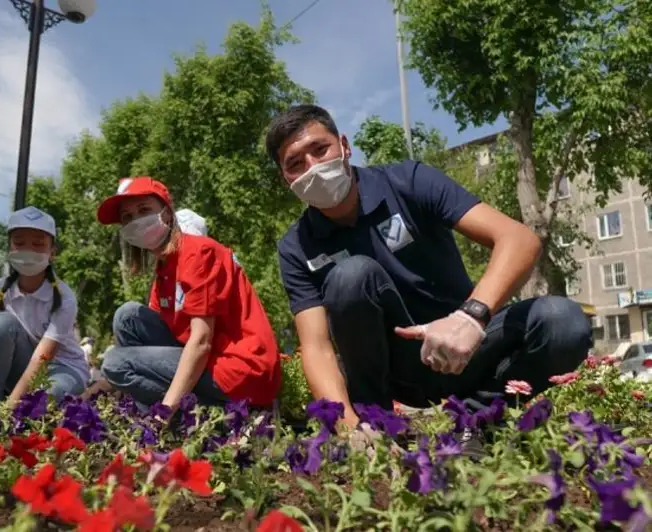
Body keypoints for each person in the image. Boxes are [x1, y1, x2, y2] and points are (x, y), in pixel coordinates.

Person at [267, 104, 591, 433]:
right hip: (394, 372)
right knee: (351, 275)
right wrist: (346, 424)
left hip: (464, 348)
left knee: (562, 322)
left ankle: (476, 420)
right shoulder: (296, 247)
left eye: (320, 149)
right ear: (286, 179)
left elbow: (519, 239)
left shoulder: (408, 181)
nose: (312, 167)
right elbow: (317, 347)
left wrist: (471, 317)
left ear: (345, 146)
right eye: (295, 164)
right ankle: (375, 427)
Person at [88, 177, 281, 411]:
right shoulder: (165, 267)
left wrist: (166, 410)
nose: (136, 221)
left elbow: (201, 341)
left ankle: (200, 414)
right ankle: (145, 410)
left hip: (239, 370)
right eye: (127, 217)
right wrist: (100, 388)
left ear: (167, 214)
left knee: (115, 363)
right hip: (211, 364)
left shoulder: (198, 252)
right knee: (127, 316)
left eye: (144, 210)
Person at [0, 206, 89, 403]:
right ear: (9, 248)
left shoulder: (64, 297)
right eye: (19, 243)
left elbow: (41, 359)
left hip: (62, 369)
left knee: (47, 396)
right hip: (20, 367)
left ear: (52, 252)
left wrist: (9, 410)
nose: (28, 251)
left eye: (38, 244)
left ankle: (14, 410)